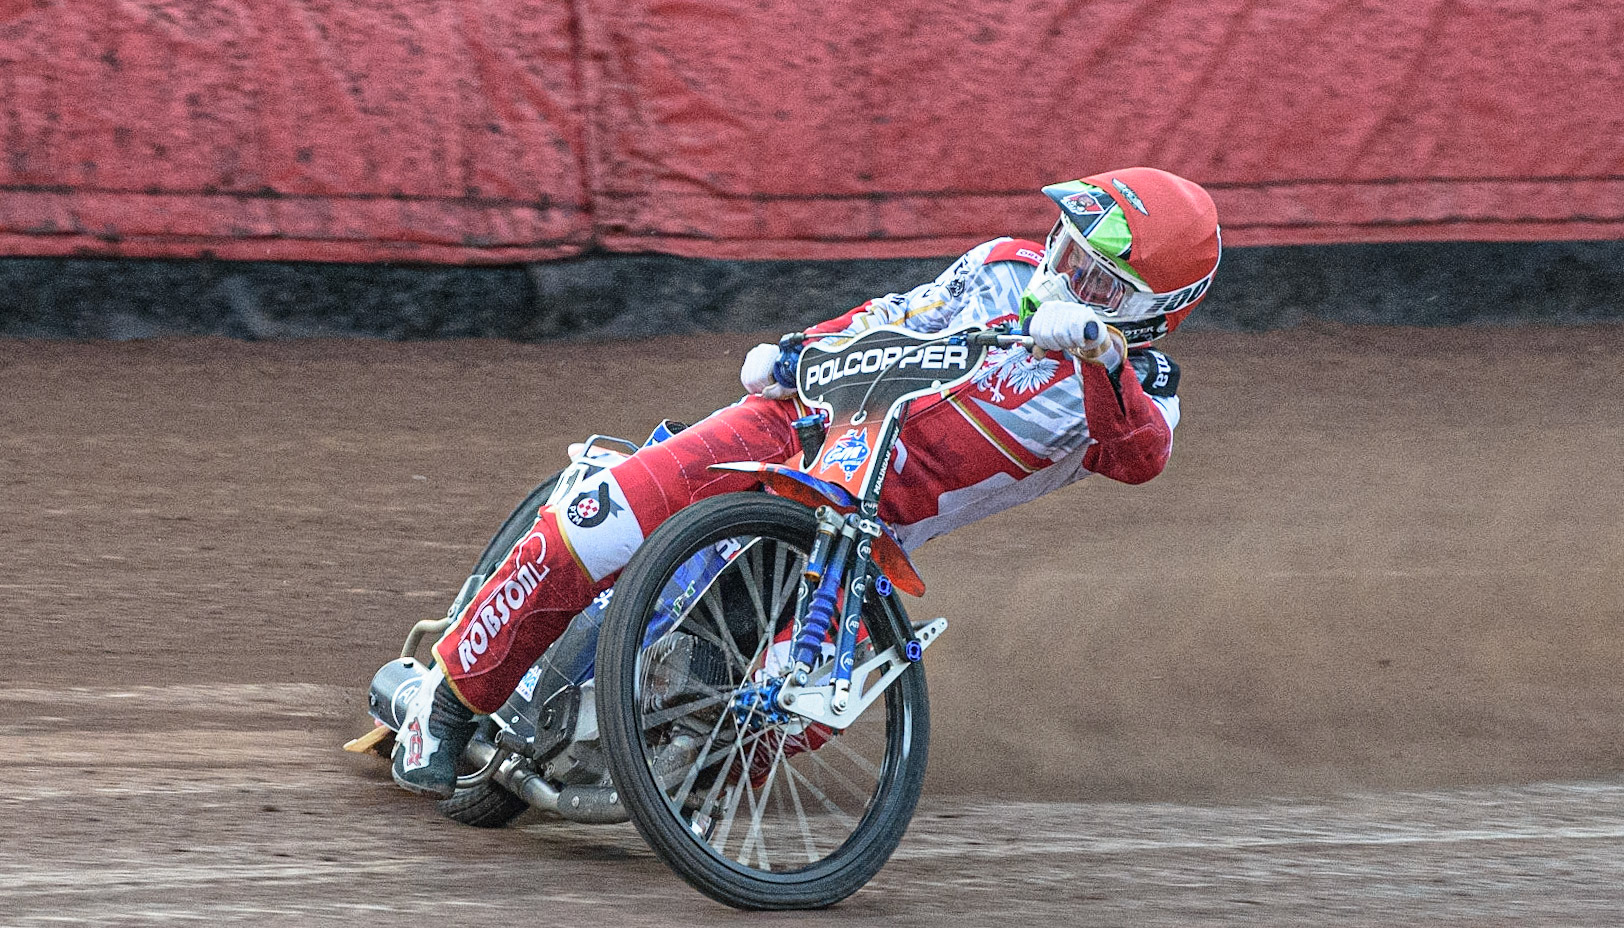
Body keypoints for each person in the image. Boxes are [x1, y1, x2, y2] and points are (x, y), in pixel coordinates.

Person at [392, 165, 1221, 798]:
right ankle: (449, 700)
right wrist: (795, 350)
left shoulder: (1145, 385)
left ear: (1157, 307)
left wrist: (1099, 355)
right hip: (797, 424)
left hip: (867, 531)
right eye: (1069, 248)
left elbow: (1139, 456)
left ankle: (680, 798)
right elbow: (896, 315)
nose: (1065, 273)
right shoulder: (1003, 265)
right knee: (598, 522)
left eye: (1099, 278)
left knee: (793, 703)